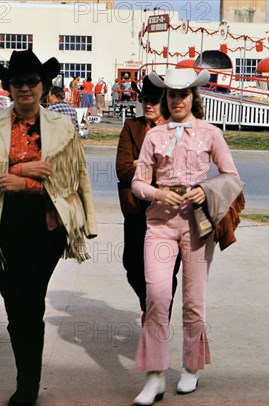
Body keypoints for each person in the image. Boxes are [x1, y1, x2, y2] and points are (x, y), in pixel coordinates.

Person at [0, 49, 97, 405]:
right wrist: (19, 170)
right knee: (17, 307)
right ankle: (27, 376)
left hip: (45, 227)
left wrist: (30, 185)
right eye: (17, 83)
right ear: (8, 87)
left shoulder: (63, 126)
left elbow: (73, 177)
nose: (25, 89)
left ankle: (27, 385)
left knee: (28, 302)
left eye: (32, 82)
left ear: (44, 86)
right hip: (0, 228)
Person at [130, 68, 241, 405]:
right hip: (160, 225)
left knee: (193, 301)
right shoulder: (154, 136)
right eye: (172, 95)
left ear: (194, 97)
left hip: (197, 228)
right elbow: (137, 183)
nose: (178, 101)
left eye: (184, 95)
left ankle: (191, 366)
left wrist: (204, 191)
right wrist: (157, 194)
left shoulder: (210, 134)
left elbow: (232, 177)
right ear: (166, 98)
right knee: (158, 297)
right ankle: (154, 377)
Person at [115, 75, 180, 322]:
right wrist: (154, 166)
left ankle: (158, 322)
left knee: (166, 272)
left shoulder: (178, 129)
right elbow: (122, 168)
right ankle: (149, 307)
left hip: (169, 215)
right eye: (144, 99)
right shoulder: (131, 127)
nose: (148, 105)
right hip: (136, 211)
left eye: (154, 100)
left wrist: (140, 164)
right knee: (133, 267)